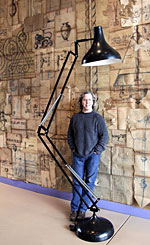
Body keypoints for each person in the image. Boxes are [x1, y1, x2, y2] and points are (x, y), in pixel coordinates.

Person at [67, 91, 109, 222]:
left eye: (89, 100)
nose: (87, 102)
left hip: (93, 156)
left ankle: (83, 209)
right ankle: (74, 209)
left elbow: (105, 136)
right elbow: (70, 135)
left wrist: (97, 151)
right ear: (81, 102)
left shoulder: (98, 118)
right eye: (85, 100)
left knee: (89, 183)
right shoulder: (75, 118)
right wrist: (73, 148)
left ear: (93, 102)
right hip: (78, 155)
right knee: (77, 183)